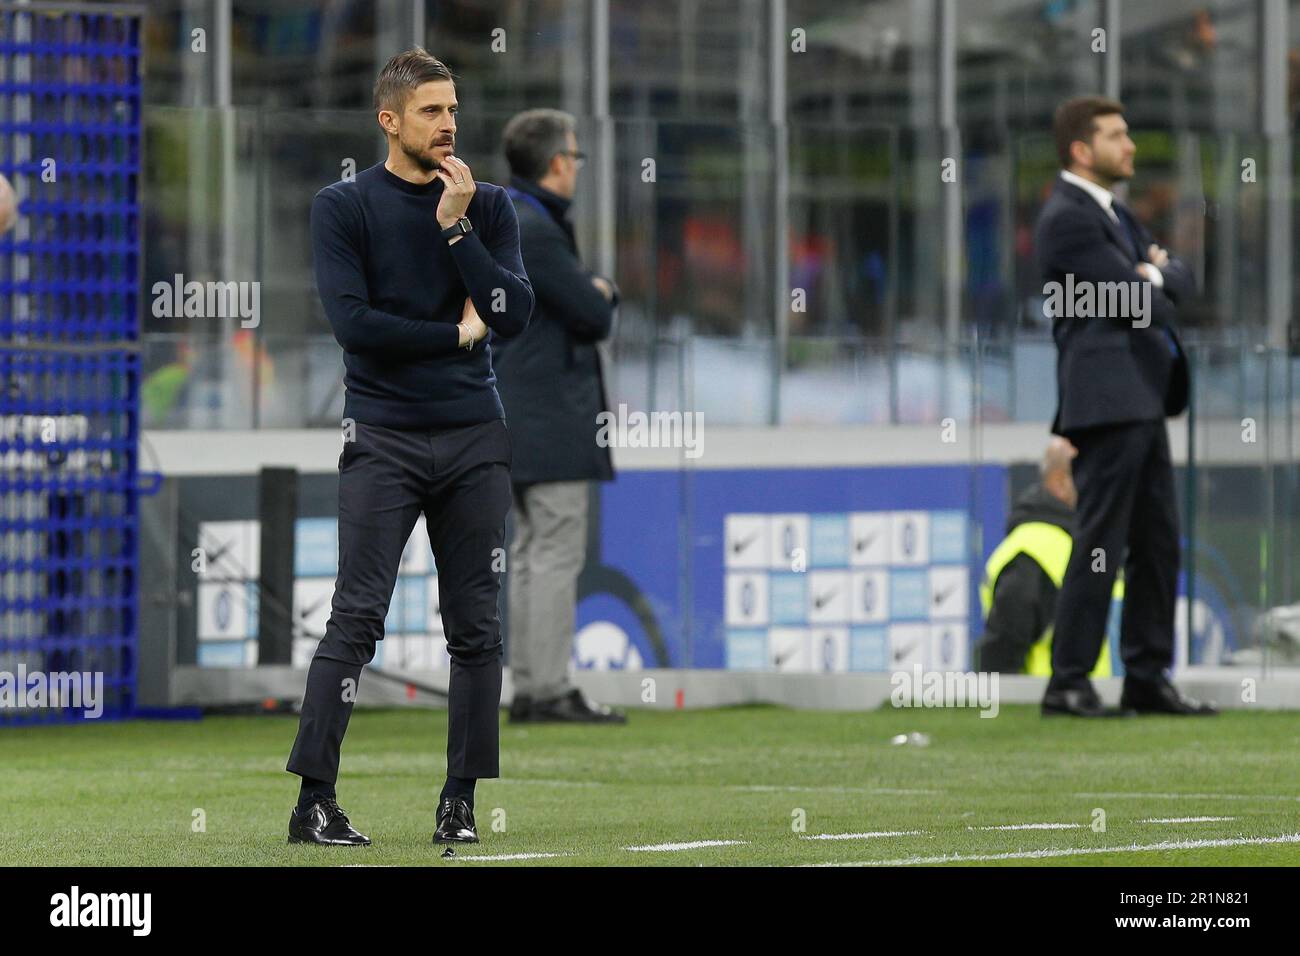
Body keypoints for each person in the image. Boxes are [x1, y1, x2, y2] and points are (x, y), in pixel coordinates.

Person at [284, 48, 534, 847]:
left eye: (453, 108)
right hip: (382, 438)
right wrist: (456, 335)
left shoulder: (484, 205)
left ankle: (458, 804)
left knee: (477, 629)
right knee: (355, 620)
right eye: (431, 110)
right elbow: (357, 327)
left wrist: (457, 230)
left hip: (474, 440)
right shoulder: (343, 206)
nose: (449, 123)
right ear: (388, 120)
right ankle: (313, 802)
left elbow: (514, 311)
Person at [1036, 96, 1214, 717]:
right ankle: (1069, 682)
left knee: (1157, 542)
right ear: (1082, 150)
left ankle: (1146, 675)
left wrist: (1152, 275)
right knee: (1101, 542)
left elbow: (1181, 281)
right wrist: (1151, 280)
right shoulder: (1068, 218)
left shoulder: (1114, 214)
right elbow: (1130, 302)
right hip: (1107, 401)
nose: (1130, 145)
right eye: (1117, 135)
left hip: (1139, 397)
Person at [493, 109, 625, 725]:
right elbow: (591, 315)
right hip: (550, 420)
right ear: (557, 164)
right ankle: (545, 689)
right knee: (552, 554)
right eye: (574, 157)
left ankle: (529, 684)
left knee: (527, 555)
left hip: (516, 418)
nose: (575, 167)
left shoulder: (508, 219)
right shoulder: (536, 230)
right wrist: (600, 289)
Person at [976, 437, 1114, 678]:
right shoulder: (1031, 553)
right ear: (1060, 483)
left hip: (1093, 705)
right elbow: (1000, 658)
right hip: (1050, 709)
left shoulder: (1088, 543)